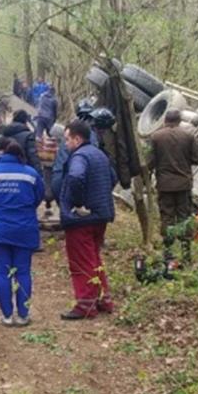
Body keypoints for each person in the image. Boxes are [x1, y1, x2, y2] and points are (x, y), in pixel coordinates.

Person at [0, 139, 46, 326]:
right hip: (24, 228)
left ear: (0, 153)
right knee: (23, 271)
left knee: (2, 272)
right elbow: (38, 196)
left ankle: (7, 316)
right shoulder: (31, 174)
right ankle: (23, 315)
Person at [58, 120, 116, 319]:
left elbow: (75, 177)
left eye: (67, 139)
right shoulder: (99, 154)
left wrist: (78, 204)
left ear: (77, 138)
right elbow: (113, 177)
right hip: (101, 215)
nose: (66, 144)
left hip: (81, 220)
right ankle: (103, 299)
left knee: (81, 261)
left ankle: (85, 306)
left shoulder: (79, 156)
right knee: (94, 258)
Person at [148, 109, 198, 266]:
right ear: (179, 121)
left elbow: (149, 162)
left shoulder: (156, 137)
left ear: (165, 120)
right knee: (184, 218)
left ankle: (168, 254)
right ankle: (186, 255)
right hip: (183, 184)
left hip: (165, 185)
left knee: (167, 216)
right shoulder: (188, 136)